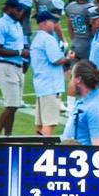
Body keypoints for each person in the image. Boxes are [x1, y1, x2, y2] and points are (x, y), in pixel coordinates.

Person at [30, 8, 74, 136]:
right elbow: (56, 60)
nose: (54, 24)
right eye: (52, 21)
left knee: (40, 124)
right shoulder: (48, 39)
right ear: (44, 22)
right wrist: (68, 58)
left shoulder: (37, 38)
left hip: (41, 85)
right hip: (51, 86)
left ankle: (35, 149)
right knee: (49, 123)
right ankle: (43, 150)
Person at [0, 0, 29, 136]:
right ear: (9, 8)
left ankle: (7, 136)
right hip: (6, 66)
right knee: (11, 105)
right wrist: (20, 52)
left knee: (14, 106)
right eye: (18, 9)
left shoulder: (16, 24)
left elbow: (19, 45)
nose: (20, 12)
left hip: (17, 66)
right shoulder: (1, 25)